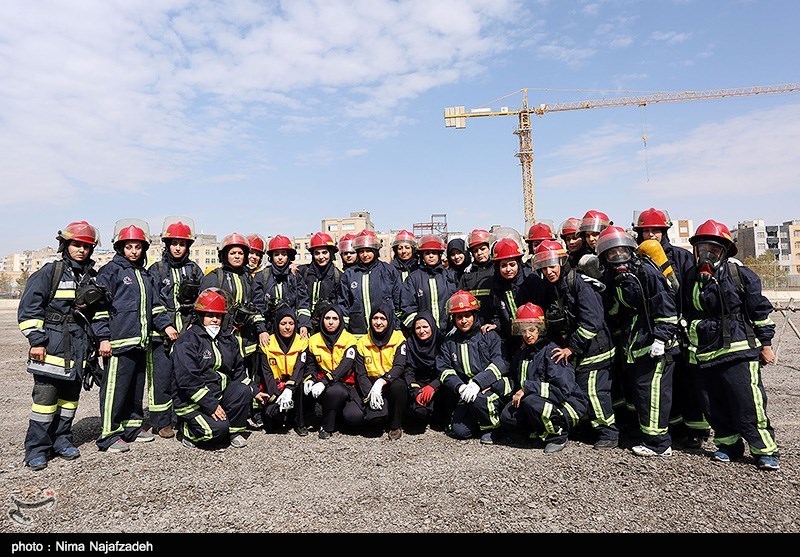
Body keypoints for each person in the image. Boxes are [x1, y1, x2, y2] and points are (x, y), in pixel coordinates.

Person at [684, 220, 779, 470]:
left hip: (737, 350)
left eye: (713, 250)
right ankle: (728, 445)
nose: (707, 254)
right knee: (713, 404)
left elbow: (760, 311)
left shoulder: (740, 275)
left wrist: (766, 344)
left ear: (724, 252)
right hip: (704, 353)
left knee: (747, 402)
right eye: (702, 248)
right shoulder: (691, 278)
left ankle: (764, 450)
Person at [18, 221, 104, 470]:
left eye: (86, 247)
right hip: (52, 345)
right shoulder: (50, 272)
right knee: (44, 402)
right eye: (77, 245)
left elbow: (96, 313)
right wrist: (36, 341)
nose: (81, 250)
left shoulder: (90, 276)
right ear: (65, 245)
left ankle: (62, 440)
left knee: (69, 402)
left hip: (78, 347)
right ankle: (37, 448)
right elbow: (29, 309)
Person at [93, 221, 177, 453]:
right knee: (115, 390)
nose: (134, 251)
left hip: (140, 342)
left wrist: (166, 326)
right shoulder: (110, 272)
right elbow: (99, 308)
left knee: (135, 388)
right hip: (118, 344)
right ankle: (109, 434)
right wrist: (103, 338)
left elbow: (155, 306)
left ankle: (132, 427)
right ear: (121, 248)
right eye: (129, 247)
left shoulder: (143, 274)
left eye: (138, 247)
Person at [597, 226, 678, 457]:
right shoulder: (616, 279)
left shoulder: (646, 272)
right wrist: (602, 291)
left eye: (622, 251)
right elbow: (616, 311)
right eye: (612, 254)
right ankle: (646, 437)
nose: (618, 257)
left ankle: (659, 444)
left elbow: (666, 307)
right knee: (641, 393)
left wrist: (662, 338)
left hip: (654, 343)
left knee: (652, 393)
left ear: (630, 250)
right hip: (636, 344)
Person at [632, 208, 710, 448]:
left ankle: (696, 430)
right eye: (646, 230)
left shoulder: (681, 257)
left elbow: (689, 291)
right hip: (657, 330)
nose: (651, 234)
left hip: (681, 328)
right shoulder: (637, 259)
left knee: (689, 380)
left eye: (656, 230)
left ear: (664, 231)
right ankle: (673, 427)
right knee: (665, 386)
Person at [533, 240, 618, 449]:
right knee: (581, 391)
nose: (548, 271)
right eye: (544, 268)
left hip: (595, 349)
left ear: (561, 262)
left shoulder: (578, 283)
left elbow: (593, 321)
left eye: (551, 266)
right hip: (581, 350)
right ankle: (591, 429)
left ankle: (609, 433)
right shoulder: (554, 287)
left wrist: (572, 347)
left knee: (595, 393)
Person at [172, 288, 268, 449]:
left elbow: (238, 372)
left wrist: (255, 391)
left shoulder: (227, 339)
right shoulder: (188, 341)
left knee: (242, 390)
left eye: (218, 316)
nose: (215, 320)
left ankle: (234, 432)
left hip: (219, 396)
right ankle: (186, 429)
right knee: (215, 433)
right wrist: (211, 405)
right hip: (193, 402)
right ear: (200, 316)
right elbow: (188, 380)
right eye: (210, 315)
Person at [499, 304, 587, 453]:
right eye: (523, 330)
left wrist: (527, 388)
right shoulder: (523, 352)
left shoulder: (552, 351)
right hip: (542, 401)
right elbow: (515, 379)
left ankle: (558, 435)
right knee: (507, 415)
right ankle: (540, 432)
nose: (528, 335)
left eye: (532, 329)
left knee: (530, 401)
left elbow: (562, 390)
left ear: (540, 328)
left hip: (568, 405)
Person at [148, 218, 204, 439]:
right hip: (162, 335)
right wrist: (166, 325)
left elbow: (202, 300)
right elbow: (152, 302)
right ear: (167, 245)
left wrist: (193, 325)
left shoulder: (195, 270)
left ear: (188, 246)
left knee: (185, 376)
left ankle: (183, 417)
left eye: (182, 244)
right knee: (162, 378)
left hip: (187, 332)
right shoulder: (157, 270)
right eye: (174, 243)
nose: (178, 247)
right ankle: (162, 422)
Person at [437, 290, 510, 444]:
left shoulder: (488, 335)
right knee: (459, 431)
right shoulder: (449, 341)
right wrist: (460, 387)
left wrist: (479, 383)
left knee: (480, 399)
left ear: (475, 315)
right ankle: (482, 421)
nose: (464, 320)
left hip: (495, 385)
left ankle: (495, 429)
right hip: (467, 390)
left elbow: (500, 363)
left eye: (467, 315)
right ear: (453, 318)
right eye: (459, 316)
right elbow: (443, 368)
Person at [199, 233, 267, 381]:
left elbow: (256, 305)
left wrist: (261, 330)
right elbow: (202, 310)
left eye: (241, 253)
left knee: (251, 379)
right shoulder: (214, 277)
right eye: (233, 253)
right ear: (225, 255)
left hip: (247, 340)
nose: (237, 256)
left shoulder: (250, 278)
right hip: (223, 338)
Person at [302, 304, 359, 439]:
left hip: (345, 383)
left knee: (354, 418)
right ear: (322, 320)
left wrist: (325, 381)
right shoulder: (314, 340)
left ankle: (334, 417)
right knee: (331, 391)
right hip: (323, 384)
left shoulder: (349, 339)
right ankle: (326, 425)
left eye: (335, 318)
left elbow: (345, 365)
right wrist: (310, 378)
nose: (331, 322)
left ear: (340, 321)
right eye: (327, 318)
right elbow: (310, 365)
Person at [482, 238, 542, 358]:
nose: (508, 269)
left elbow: (541, 310)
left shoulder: (531, 280)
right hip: (510, 340)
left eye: (512, 264)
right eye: (503, 265)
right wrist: (495, 325)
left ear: (518, 263)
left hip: (534, 338)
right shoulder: (496, 285)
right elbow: (497, 312)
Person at [355, 306, 408, 439]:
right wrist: (370, 394)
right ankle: (381, 412)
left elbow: (399, 366)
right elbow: (360, 374)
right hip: (372, 387)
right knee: (375, 421)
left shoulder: (398, 339)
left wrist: (382, 381)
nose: (378, 322)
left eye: (383, 319)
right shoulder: (362, 342)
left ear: (389, 320)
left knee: (399, 386)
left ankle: (396, 425)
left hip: (391, 384)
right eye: (375, 318)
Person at [338, 229, 402, 336]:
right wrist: (344, 329)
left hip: (386, 332)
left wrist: (397, 326)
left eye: (368, 251)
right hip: (358, 332)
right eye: (361, 251)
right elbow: (344, 304)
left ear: (376, 251)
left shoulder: (389, 271)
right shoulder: (349, 274)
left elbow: (398, 301)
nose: (365, 255)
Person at [259, 307, 310, 436]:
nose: (287, 327)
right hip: (275, 387)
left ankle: (300, 423)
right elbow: (267, 374)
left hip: (294, 385)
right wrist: (277, 395)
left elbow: (300, 368)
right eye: (283, 324)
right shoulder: (267, 344)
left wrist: (289, 388)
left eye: (291, 324)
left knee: (302, 384)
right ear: (277, 324)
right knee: (273, 421)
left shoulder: (302, 342)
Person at [253, 235, 311, 337]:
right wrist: (262, 330)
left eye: (283, 254)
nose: (280, 257)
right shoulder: (261, 277)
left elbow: (303, 303)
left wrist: (304, 324)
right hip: (269, 330)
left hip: (292, 329)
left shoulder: (295, 276)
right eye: (276, 254)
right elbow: (257, 305)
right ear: (271, 257)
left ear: (289, 256)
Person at [400, 235, 457, 334]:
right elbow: (408, 308)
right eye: (427, 253)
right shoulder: (413, 278)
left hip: (448, 334)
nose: (431, 256)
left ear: (439, 255)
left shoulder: (449, 276)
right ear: (422, 256)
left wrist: (454, 327)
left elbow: (455, 303)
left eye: (434, 253)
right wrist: (419, 329)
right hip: (423, 336)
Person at [404, 312, 450, 432]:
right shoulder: (410, 343)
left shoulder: (442, 342)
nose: (422, 331)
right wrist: (415, 390)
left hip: (438, 383)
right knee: (419, 415)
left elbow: (447, 368)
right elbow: (408, 370)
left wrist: (433, 386)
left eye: (425, 327)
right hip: (419, 385)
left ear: (432, 326)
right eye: (418, 327)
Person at [299, 232, 342, 331]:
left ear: (330, 253)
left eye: (324, 252)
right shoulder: (302, 272)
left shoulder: (338, 276)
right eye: (317, 253)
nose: (321, 257)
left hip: (328, 327)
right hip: (305, 326)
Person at [459, 229, 494, 326]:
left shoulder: (497, 271)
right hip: (473, 324)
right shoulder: (467, 274)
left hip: (494, 323)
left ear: (489, 249)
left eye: (482, 249)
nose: (479, 253)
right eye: (475, 250)